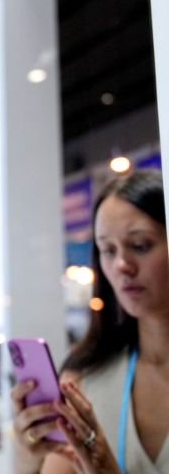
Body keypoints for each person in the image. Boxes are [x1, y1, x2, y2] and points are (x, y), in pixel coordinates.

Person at [11, 169, 169, 474]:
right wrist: (26, 461)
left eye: (140, 245)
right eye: (108, 250)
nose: (121, 265)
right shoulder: (86, 379)